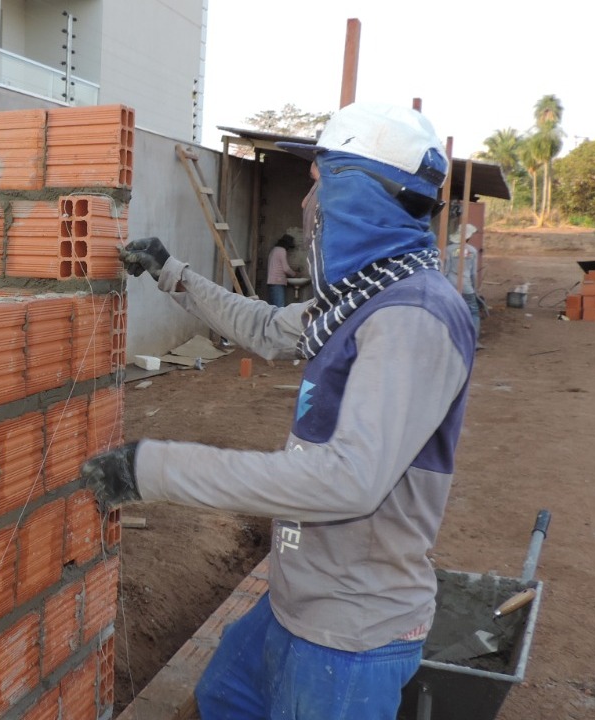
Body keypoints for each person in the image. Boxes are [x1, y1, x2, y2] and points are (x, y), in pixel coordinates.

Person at [80, 102, 476, 720]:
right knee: (221, 698)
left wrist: (150, 469)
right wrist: (173, 273)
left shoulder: (412, 318)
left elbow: (346, 482)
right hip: (297, 598)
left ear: (358, 194)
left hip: (350, 636)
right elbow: (265, 325)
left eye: (320, 184)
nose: (306, 206)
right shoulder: (361, 296)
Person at [443, 214, 483, 347]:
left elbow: (445, 270)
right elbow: (473, 274)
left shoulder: (448, 250)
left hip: (449, 285)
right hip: (466, 286)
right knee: (473, 311)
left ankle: (449, 339)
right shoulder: (472, 251)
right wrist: (475, 289)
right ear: (468, 236)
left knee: (450, 311)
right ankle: (473, 341)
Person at [265, 234, 299, 307]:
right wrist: (294, 274)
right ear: (286, 244)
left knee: (273, 308)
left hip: (271, 282)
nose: (288, 249)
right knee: (280, 308)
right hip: (278, 282)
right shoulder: (282, 250)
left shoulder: (274, 250)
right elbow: (286, 268)